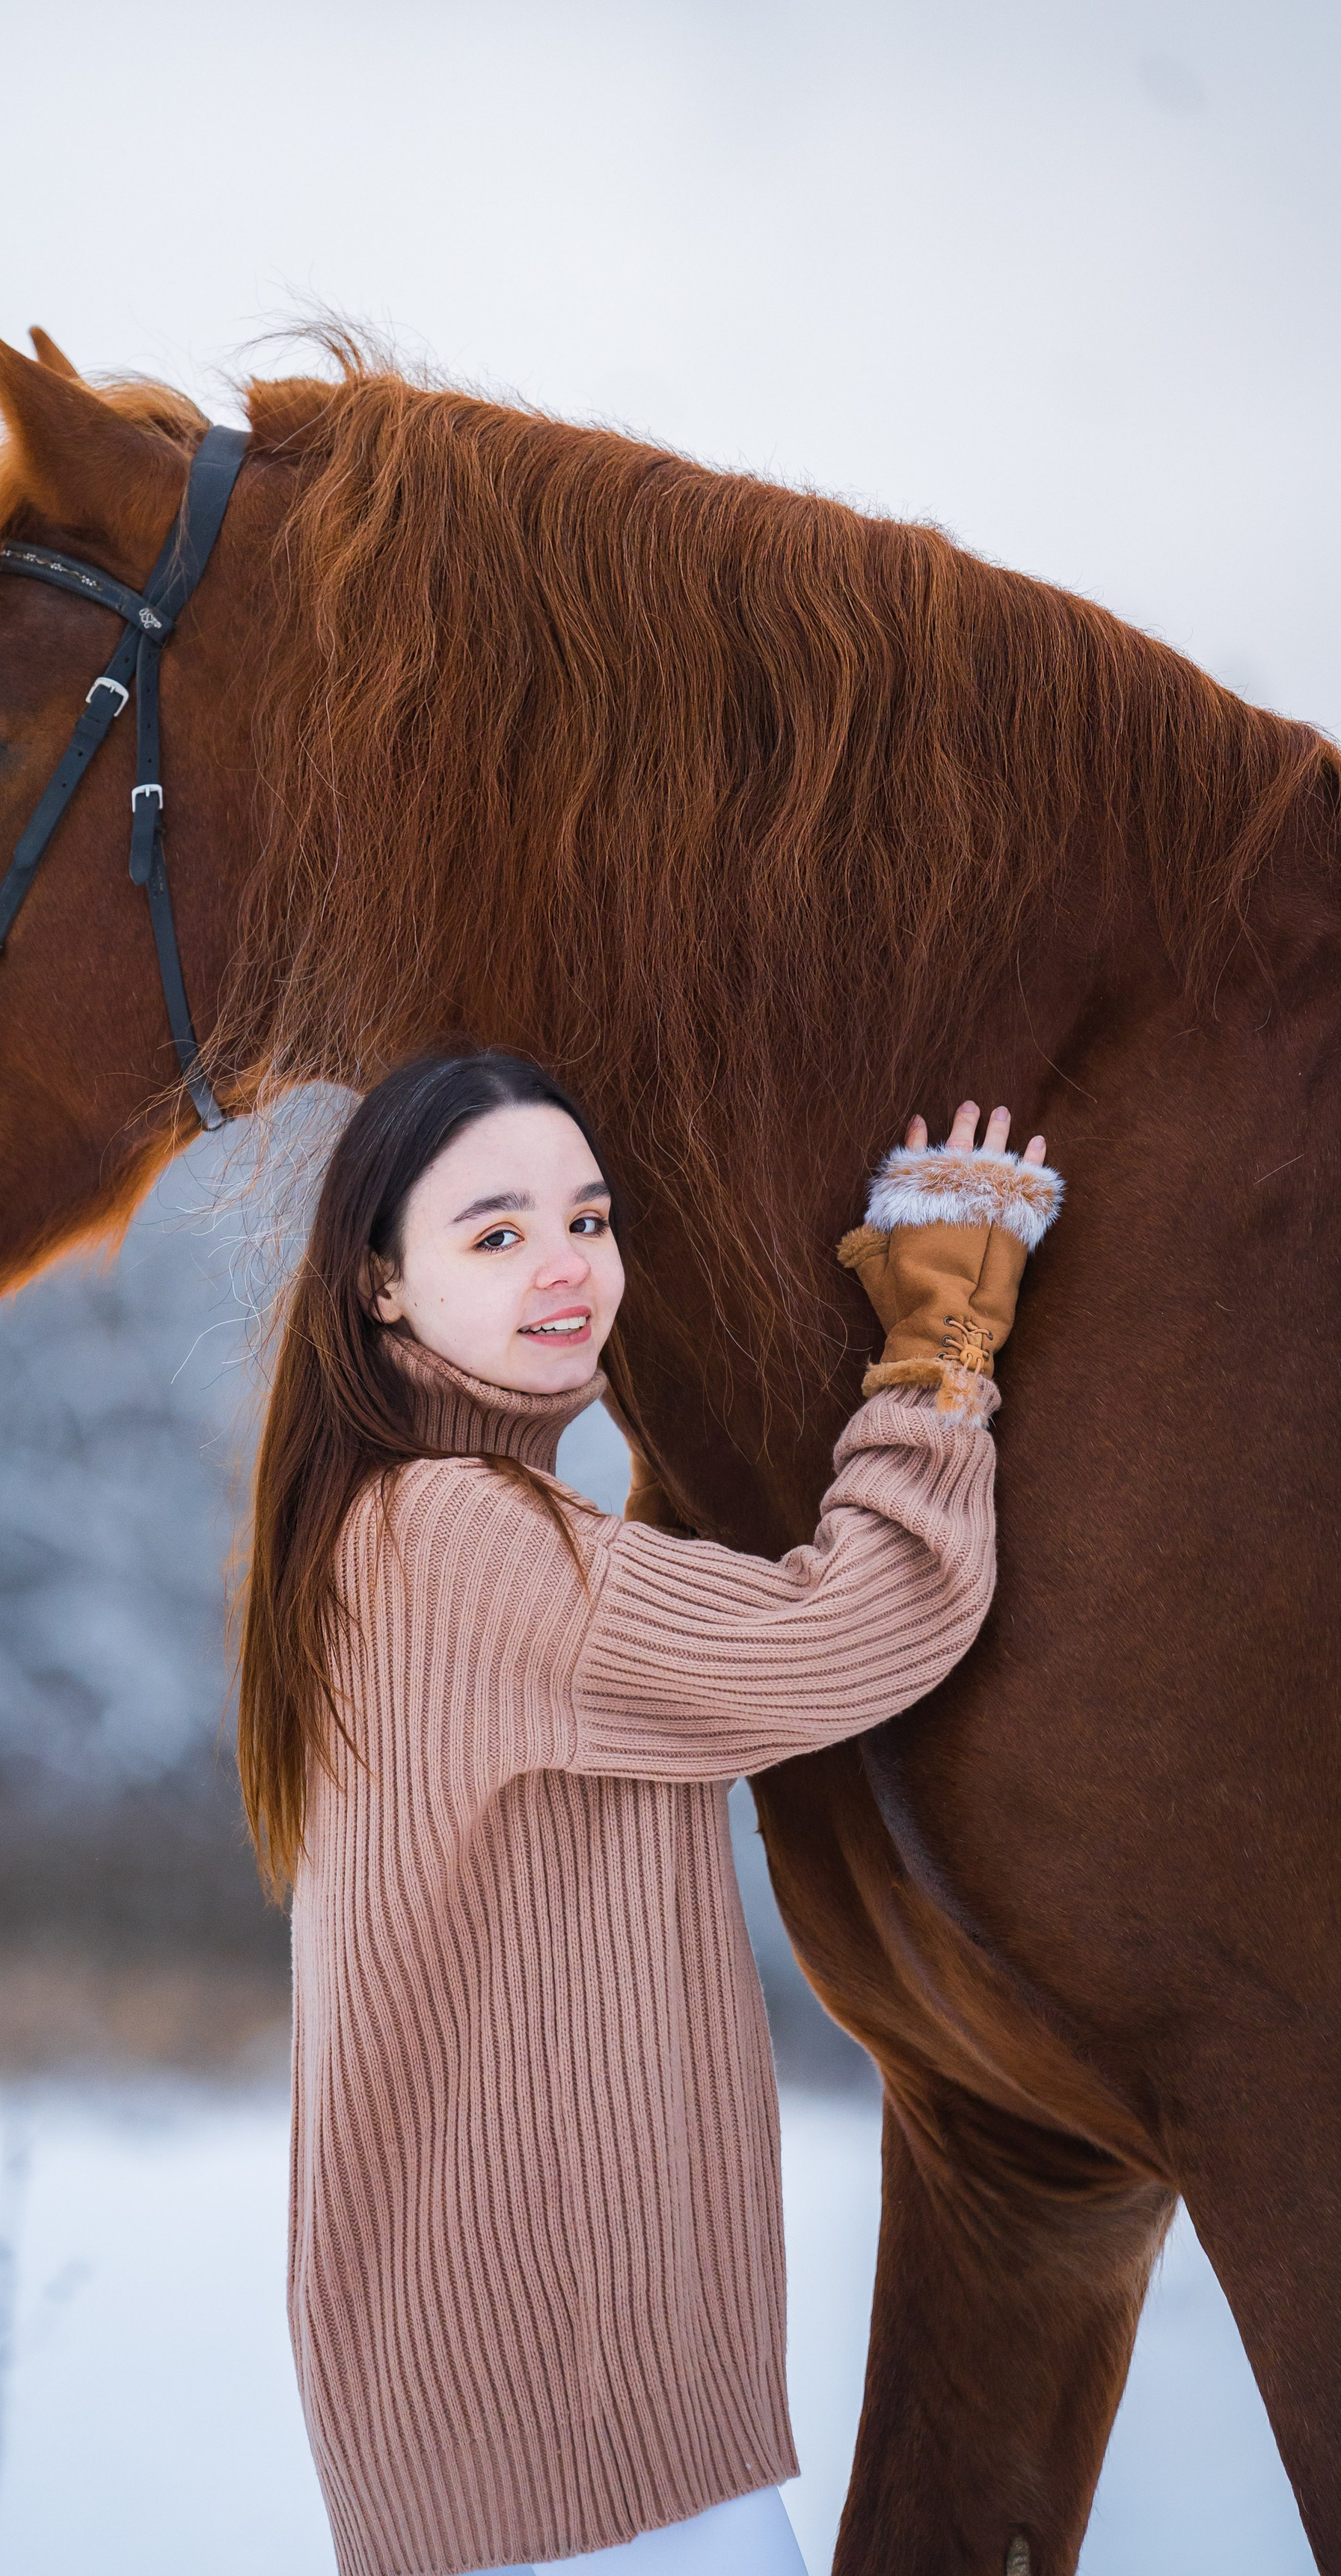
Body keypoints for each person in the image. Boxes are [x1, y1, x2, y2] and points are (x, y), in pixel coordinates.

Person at [236, 1047, 1061, 2576]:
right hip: (557, 2427)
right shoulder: (453, 1541)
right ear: (381, 1290)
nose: (562, 1268)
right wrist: (942, 1333)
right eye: (494, 1235)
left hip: (554, 2415)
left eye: (587, 1219)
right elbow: (855, 1630)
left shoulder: (426, 1522)